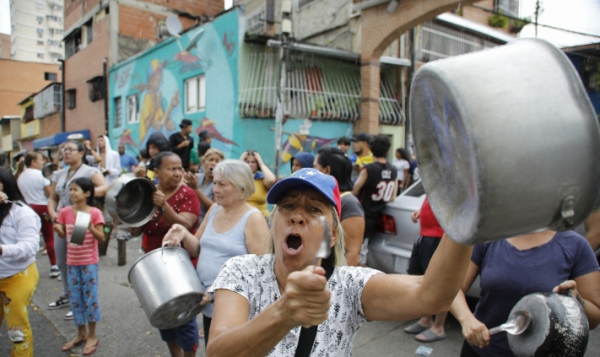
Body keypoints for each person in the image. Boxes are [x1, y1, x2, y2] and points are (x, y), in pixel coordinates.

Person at [200, 167, 471, 356]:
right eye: (288, 206)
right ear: (273, 224)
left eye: (314, 209)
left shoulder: (348, 286)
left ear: (331, 236)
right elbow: (218, 352)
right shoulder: (241, 272)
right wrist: (283, 313)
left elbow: (432, 296)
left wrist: (466, 214)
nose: (297, 216)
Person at [163, 159, 270, 347]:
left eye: (222, 184)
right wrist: (184, 233)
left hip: (235, 312)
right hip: (208, 307)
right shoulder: (214, 209)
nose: (215, 189)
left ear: (241, 189)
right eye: (214, 182)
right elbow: (197, 248)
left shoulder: (253, 219)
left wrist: (216, 293)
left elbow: (263, 273)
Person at [450, 230, 600, 357]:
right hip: (483, 350)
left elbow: (594, 318)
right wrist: (467, 320)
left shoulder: (575, 246)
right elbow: (452, 289)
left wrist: (577, 301)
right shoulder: (491, 235)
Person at [129, 152, 200, 357]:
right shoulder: (148, 193)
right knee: (162, 314)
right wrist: (136, 205)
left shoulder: (188, 194)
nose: (178, 173)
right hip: (153, 265)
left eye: (180, 168)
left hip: (180, 266)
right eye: (172, 169)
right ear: (157, 172)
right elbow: (134, 231)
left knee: (185, 317)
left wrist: (163, 205)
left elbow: (185, 224)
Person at [46, 140, 108, 320]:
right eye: (64, 150)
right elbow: (52, 198)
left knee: (80, 256)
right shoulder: (58, 173)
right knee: (63, 259)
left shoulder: (90, 171)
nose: (66, 153)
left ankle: (81, 301)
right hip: (62, 217)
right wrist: (53, 214)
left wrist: (83, 196)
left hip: (81, 217)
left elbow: (104, 188)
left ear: (81, 153)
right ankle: (69, 295)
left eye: (71, 150)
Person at [53, 178, 104, 356]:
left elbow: (102, 238)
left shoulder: (95, 212)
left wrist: (90, 227)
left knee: (90, 298)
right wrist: (59, 230)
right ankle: (80, 333)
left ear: (87, 193)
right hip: (72, 262)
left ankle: (92, 335)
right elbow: (62, 233)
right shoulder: (65, 212)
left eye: (76, 190)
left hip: (88, 263)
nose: (72, 193)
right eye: (71, 190)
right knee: (75, 298)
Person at [0, 167, 41, 357]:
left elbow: (30, 247)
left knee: (16, 331)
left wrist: (2, 250)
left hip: (18, 276)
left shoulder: (22, 213)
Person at [403, 196, 448, 342]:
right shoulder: (436, 179)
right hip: (424, 235)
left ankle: (438, 327)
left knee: (440, 282)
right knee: (420, 278)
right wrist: (421, 211)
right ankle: (426, 319)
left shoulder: (456, 179)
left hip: (440, 237)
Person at [313, 147, 365, 266]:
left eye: (315, 167)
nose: (312, 171)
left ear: (326, 170)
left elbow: (351, 253)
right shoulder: (325, 199)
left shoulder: (349, 204)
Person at [353, 135, 398, 266]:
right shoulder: (393, 170)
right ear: (387, 151)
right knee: (365, 250)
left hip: (364, 214)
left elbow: (355, 190)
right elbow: (393, 196)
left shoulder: (368, 169)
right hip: (380, 214)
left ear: (371, 150)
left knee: (359, 251)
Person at [17, 151, 58, 278]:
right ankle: (54, 266)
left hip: (27, 208)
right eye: (40, 160)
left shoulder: (20, 175)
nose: (42, 163)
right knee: (49, 235)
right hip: (42, 208)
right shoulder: (41, 176)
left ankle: (26, 268)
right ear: (33, 162)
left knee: (28, 237)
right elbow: (49, 194)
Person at [184, 148, 224, 224]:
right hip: (188, 220)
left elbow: (215, 208)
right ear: (203, 162)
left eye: (217, 161)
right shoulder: (196, 178)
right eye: (210, 160)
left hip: (205, 224)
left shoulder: (221, 184)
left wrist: (196, 189)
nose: (213, 163)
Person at [241, 150, 276, 217]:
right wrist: (239, 162)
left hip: (261, 216)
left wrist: (261, 163)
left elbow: (271, 180)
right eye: (247, 162)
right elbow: (231, 180)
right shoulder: (240, 178)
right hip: (242, 217)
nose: (250, 164)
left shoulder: (262, 178)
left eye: (253, 162)